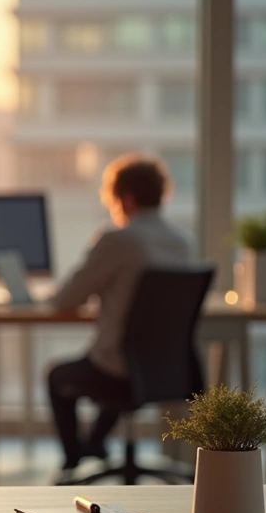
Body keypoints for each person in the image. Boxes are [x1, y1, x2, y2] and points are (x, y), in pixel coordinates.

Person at [47, 154, 191, 483]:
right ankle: (95, 444)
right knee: (115, 360)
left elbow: (67, 299)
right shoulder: (183, 243)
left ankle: (73, 461)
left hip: (121, 372)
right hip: (168, 369)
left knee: (58, 375)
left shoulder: (117, 239)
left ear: (125, 197)